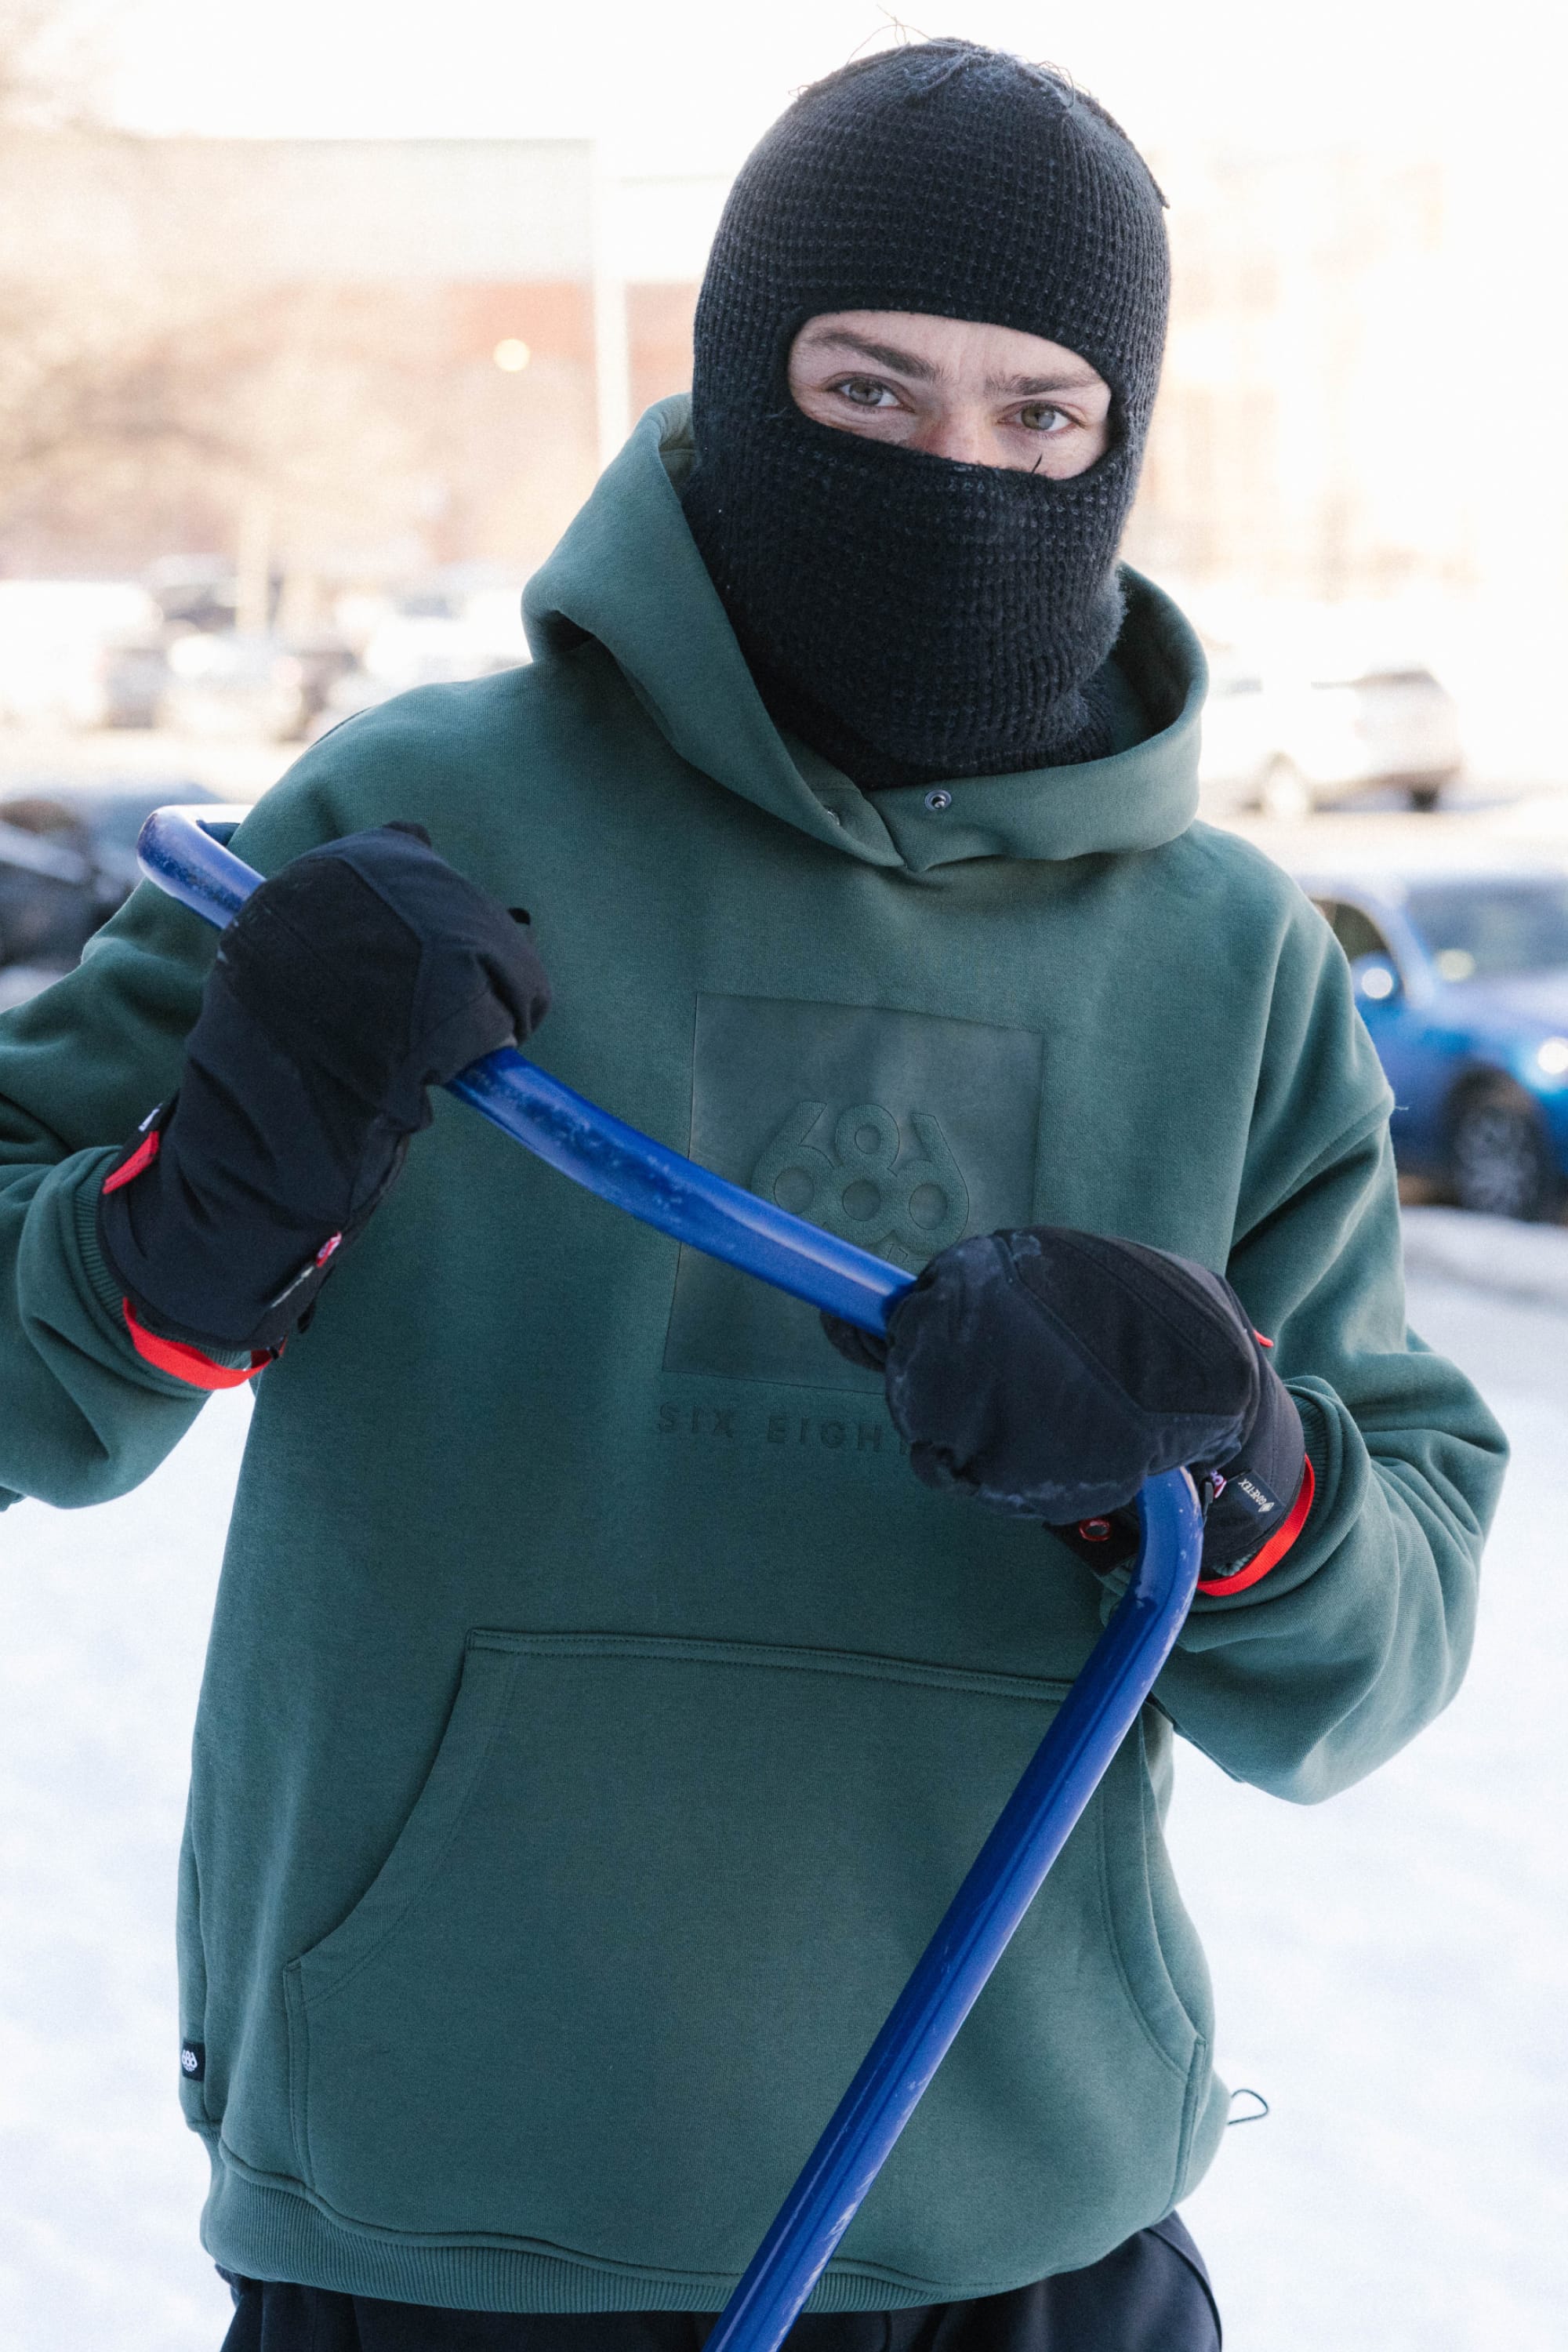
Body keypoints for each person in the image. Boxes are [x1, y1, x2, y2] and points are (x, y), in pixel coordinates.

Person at [0, 40, 1505, 2352]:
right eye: (872, 388)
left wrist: (1239, 1471)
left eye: (1040, 419)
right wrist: (199, 1206)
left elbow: (1374, 1650)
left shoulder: (1231, 966)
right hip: (449, 2212)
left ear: (1121, 451)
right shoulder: (405, 821)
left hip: (1033, 2224)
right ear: (739, 383)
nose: (958, 472)